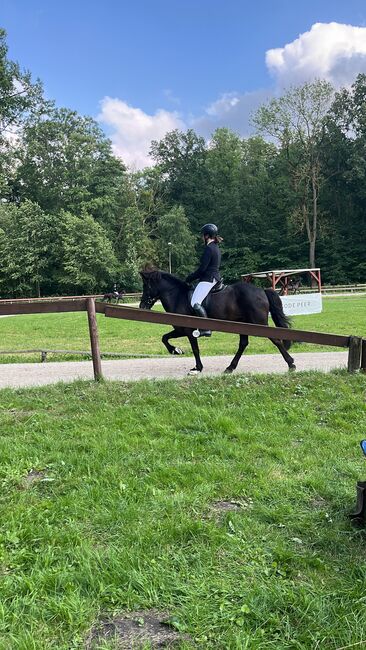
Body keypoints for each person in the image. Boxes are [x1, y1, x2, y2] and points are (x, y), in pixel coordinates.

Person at [185, 223, 222, 337]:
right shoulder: (215, 247)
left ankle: (206, 328)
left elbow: (202, 269)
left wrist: (190, 278)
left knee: (195, 302)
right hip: (213, 277)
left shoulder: (209, 249)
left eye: (203, 235)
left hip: (208, 278)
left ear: (206, 236)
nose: (202, 237)